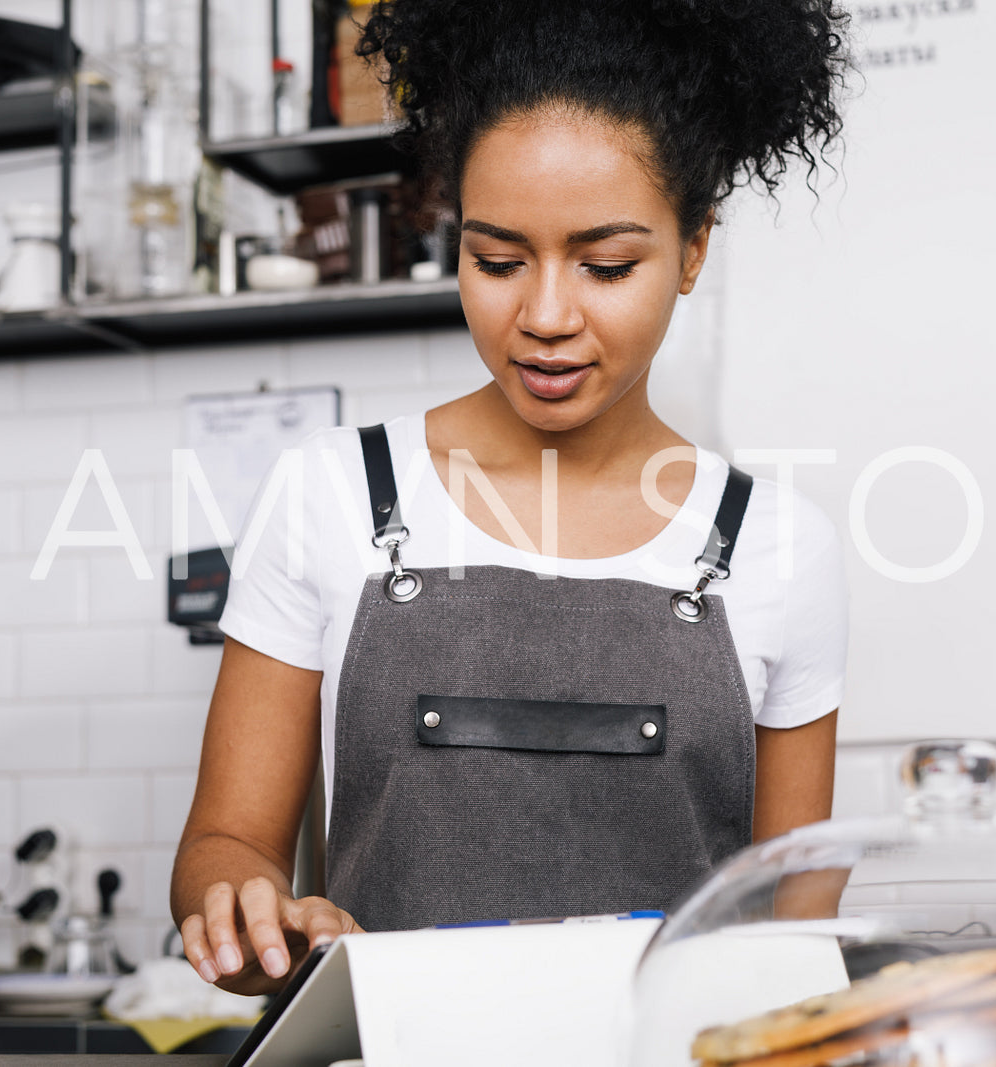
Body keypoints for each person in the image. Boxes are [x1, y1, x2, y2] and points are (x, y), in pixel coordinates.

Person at [173, 0, 852, 995]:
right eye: (494, 260)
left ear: (694, 244)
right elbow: (224, 843)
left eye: (606, 265)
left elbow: (792, 945)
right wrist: (251, 913)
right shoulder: (330, 492)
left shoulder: (778, 545)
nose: (540, 316)